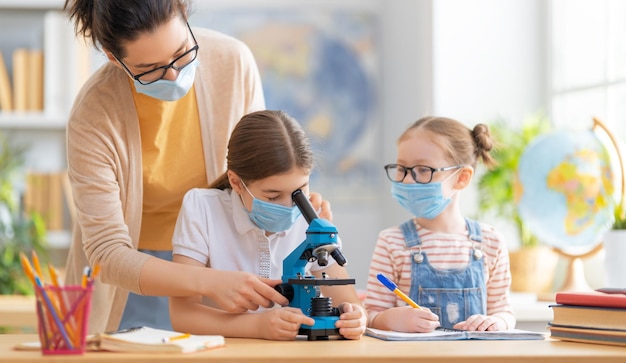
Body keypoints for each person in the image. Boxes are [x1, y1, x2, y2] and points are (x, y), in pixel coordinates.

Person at [61, 0, 331, 334]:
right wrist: (207, 281)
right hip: (136, 270)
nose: (173, 74)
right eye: (150, 69)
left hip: (217, 260)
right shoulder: (93, 116)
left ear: (184, 17)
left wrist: (289, 202)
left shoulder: (232, 62)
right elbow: (108, 252)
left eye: (182, 52)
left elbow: (256, 169)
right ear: (115, 59)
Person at [169, 110, 366, 340]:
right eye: (272, 197)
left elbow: (350, 302)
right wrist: (257, 326)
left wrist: (356, 318)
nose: (289, 206)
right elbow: (183, 315)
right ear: (237, 182)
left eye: (299, 192)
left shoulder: (312, 217)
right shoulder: (202, 208)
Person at [364, 116, 516, 333]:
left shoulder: (492, 242)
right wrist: (391, 320)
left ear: (461, 178)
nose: (407, 180)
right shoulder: (391, 241)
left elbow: (504, 312)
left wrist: (497, 322)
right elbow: (370, 315)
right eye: (401, 168)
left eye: (423, 170)